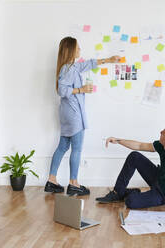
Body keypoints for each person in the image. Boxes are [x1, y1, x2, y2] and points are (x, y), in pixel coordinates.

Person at [44, 36, 120, 196]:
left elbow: (88, 64)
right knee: (76, 149)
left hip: (67, 114)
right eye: (78, 48)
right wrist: (81, 90)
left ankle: (51, 180)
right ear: (71, 50)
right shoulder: (69, 69)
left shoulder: (70, 67)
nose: (80, 50)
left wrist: (109, 60)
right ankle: (74, 183)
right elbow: (62, 90)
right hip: (73, 114)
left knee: (63, 146)